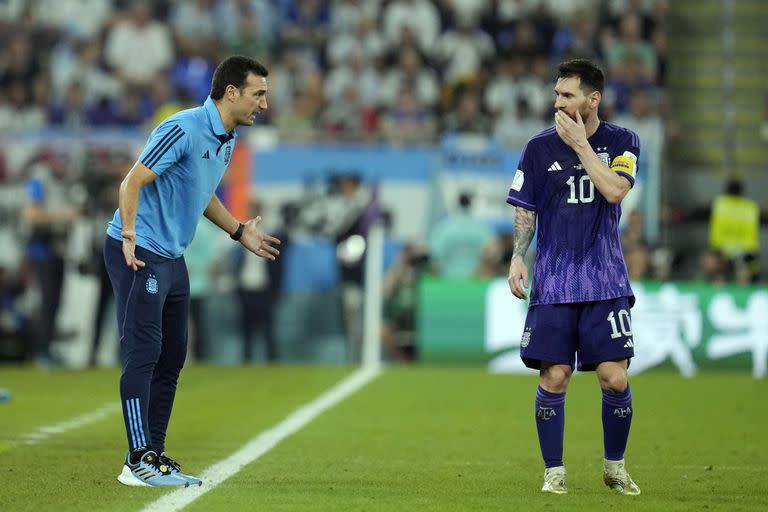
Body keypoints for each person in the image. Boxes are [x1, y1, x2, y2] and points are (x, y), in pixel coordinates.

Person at [104, 56, 281, 487]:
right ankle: (136, 460)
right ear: (232, 92)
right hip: (138, 249)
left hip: (171, 255)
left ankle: (155, 454)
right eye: (258, 93)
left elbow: (201, 195)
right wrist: (129, 232)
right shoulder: (182, 127)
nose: (264, 102)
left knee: (173, 357)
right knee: (143, 353)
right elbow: (132, 182)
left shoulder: (227, 138)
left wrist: (239, 231)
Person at [506, 59, 641, 496]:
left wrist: (582, 146)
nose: (557, 102)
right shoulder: (538, 148)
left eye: (567, 95)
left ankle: (615, 467)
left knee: (614, 378)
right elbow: (526, 208)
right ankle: (554, 472)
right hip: (555, 282)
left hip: (605, 281)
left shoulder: (623, 141)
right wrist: (518, 256)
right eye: (556, 94)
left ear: (592, 99)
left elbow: (615, 190)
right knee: (555, 377)